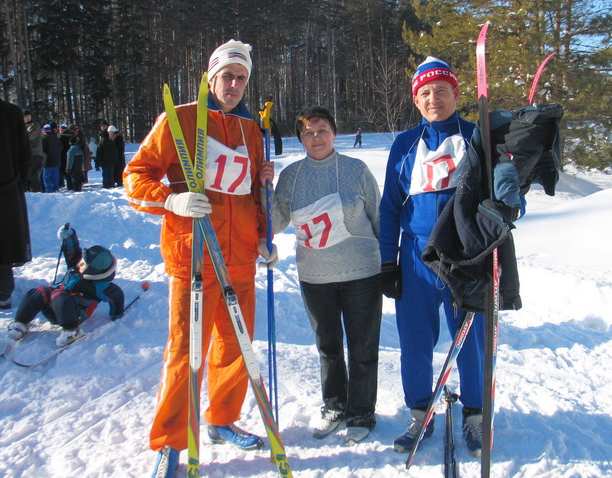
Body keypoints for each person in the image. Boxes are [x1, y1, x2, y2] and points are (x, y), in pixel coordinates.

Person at [123, 39, 278, 477]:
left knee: (235, 347)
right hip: (194, 255)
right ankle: (172, 442)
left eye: (241, 78)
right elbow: (136, 175)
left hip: (242, 255)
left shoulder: (251, 130)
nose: (233, 84)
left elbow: (252, 194)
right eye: (226, 76)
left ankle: (222, 419)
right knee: (186, 351)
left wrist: (264, 235)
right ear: (211, 78)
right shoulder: (181, 119)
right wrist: (171, 200)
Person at [379, 56, 486, 455]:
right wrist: (388, 262)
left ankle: (474, 414)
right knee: (415, 341)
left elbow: (504, 200)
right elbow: (389, 206)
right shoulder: (405, 144)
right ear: (416, 100)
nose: (433, 97)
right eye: (425, 92)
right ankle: (420, 412)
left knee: (470, 338)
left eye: (441, 90)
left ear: (456, 94)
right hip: (416, 256)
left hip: (465, 255)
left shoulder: (477, 137)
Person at [268, 106, 382, 444]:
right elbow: (273, 224)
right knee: (328, 347)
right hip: (315, 277)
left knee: (362, 345)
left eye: (322, 129)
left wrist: (390, 262)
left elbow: (379, 216)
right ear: (300, 138)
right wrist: (262, 189)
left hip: (361, 272)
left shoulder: (356, 169)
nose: (316, 136)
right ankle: (335, 405)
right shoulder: (291, 176)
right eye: (308, 131)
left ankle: (361, 411)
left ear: (334, 133)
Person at [7, 225, 123, 347]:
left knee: (59, 294)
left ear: (92, 272)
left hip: (75, 315)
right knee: (38, 291)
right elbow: (72, 252)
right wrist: (69, 237)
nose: (79, 263)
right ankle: (20, 323)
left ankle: (71, 331)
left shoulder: (100, 286)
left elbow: (117, 295)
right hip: (57, 303)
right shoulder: (78, 267)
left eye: (83, 264)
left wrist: (117, 313)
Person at [0, 100, 32, 310]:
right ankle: (3, 291)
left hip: (8, 187)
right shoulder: (11, 112)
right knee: (4, 240)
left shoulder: (11, 113)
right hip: (7, 188)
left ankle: (3, 292)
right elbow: (25, 155)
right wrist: (19, 182)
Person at [25, 110, 44, 192]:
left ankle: (35, 193)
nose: (27, 118)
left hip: (35, 154)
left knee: (32, 175)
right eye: (25, 116)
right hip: (26, 155)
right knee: (27, 175)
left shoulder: (35, 126)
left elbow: (30, 136)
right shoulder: (22, 126)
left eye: (28, 116)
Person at [41, 123, 61, 193]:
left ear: (44, 131)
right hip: (56, 161)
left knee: (47, 178)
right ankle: (56, 189)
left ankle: (49, 191)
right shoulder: (56, 138)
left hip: (47, 162)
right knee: (55, 177)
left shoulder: (43, 139)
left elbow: (42, 151)